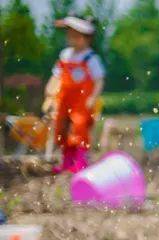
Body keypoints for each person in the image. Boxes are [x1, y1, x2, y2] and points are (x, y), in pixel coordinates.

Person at [49, 15, 105, 174]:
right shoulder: (65, 55)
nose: (72, 39)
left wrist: (93, 98)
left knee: (79, 129)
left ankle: (80, 163)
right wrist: (50, 90)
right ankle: (66, 163)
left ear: (86, 38)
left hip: (81, 102)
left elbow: (99, 80)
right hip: (64, 99)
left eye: (76, 36)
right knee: (61, 129)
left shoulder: (90, 58)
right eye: (70, 36)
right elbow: (57, 75)